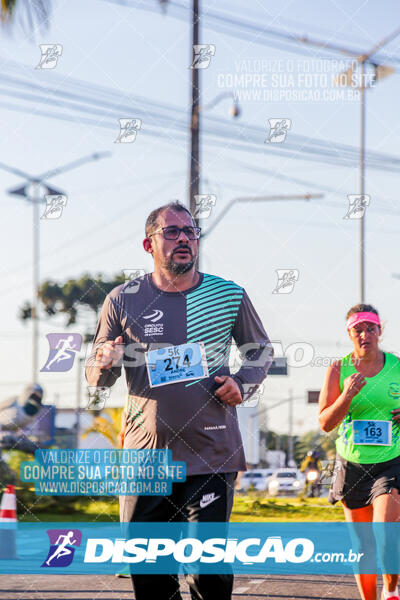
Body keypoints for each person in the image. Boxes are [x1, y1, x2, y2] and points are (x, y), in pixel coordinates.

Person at [85, 200, 274, 600]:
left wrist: (243, 381)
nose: (184, 238)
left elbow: (260, 350)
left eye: (190, 231)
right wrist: (105, 362)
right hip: (147, 455)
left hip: (210, 451)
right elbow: (96, 373)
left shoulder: (227, 295)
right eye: (172, 232)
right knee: (151, 571)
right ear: (148, 244)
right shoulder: (123, 299)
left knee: (207, 567)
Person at [319, 304, 400, 600]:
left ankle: (391, 590)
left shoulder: (398, 366)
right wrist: (347, 394)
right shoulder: (338, 369)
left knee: (386, 533)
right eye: (358, 330)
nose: (365, 334)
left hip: (391, 461)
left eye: (371, 328)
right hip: (351, 463)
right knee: (363, 547)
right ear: (349, 333)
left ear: (380, 330)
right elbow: (326, 422)